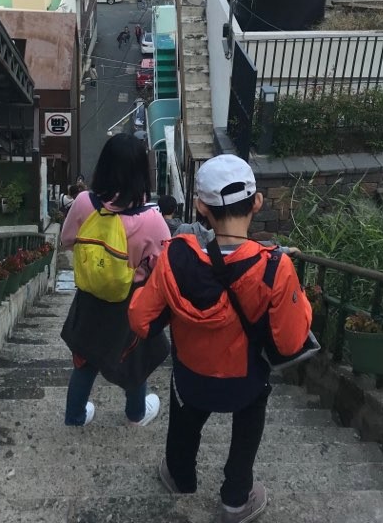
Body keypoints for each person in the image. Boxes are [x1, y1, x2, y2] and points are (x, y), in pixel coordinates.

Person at [129, 154, 312, 523]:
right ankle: (235, 499)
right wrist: (299, 297)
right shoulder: (275, 266)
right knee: (251, 416)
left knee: (185, 416)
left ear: (201, 207)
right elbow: (291, 342)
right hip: (245, 382)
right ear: (257, 202)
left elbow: (140, 319)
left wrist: (140, 285)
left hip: (191, 378)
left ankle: (180, 476)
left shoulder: (176, 254)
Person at [60, 134, 170, 427]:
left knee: (85, 357)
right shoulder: (152, 220)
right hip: (130, 300)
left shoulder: (84, 202)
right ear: (141, 172)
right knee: (134, 357)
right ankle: (136, 413)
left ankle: (75, 416)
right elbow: (164, 266)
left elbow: (67, 240)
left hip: (90, 294)